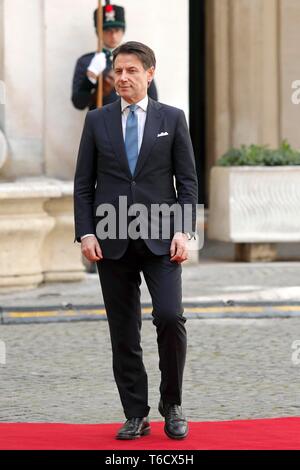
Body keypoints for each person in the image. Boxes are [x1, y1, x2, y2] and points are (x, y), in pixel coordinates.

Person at [74, 41, 198, 440]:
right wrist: (86, 231)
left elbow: (188, 183)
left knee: (168, 317)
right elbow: (83, 185)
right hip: (112, 242)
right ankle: (136, 413)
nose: (122, 78)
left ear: (150, 73)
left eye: (131, 70)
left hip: (163, 239)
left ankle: (173, 404)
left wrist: (184, 230)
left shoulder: (173, 119)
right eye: (118, 71)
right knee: (123, 330)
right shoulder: (97, 121)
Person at [71, 4, 158, 111]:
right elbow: (79, 103)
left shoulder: (138, 58)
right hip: (101, 123)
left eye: (117, 30)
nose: (113, 36)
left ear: (123, 31)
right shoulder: (86, 62)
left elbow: (153, 97)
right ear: (99, 33)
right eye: (107, 31)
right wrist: (91, 76)